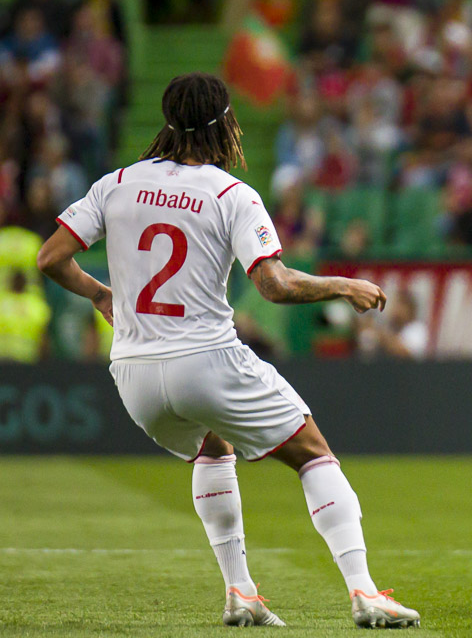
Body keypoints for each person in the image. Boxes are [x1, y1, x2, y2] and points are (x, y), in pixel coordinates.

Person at [36, 73, 420, 629]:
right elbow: (274, 285)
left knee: (211, 449)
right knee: (313, 452)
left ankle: (241, 593)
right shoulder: (230, 193)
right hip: (207, 360)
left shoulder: (115, 182)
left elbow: (50, 258)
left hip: (135, 375)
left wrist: (100, 294)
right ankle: (365, 593)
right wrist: (343, 284)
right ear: (223, 123)